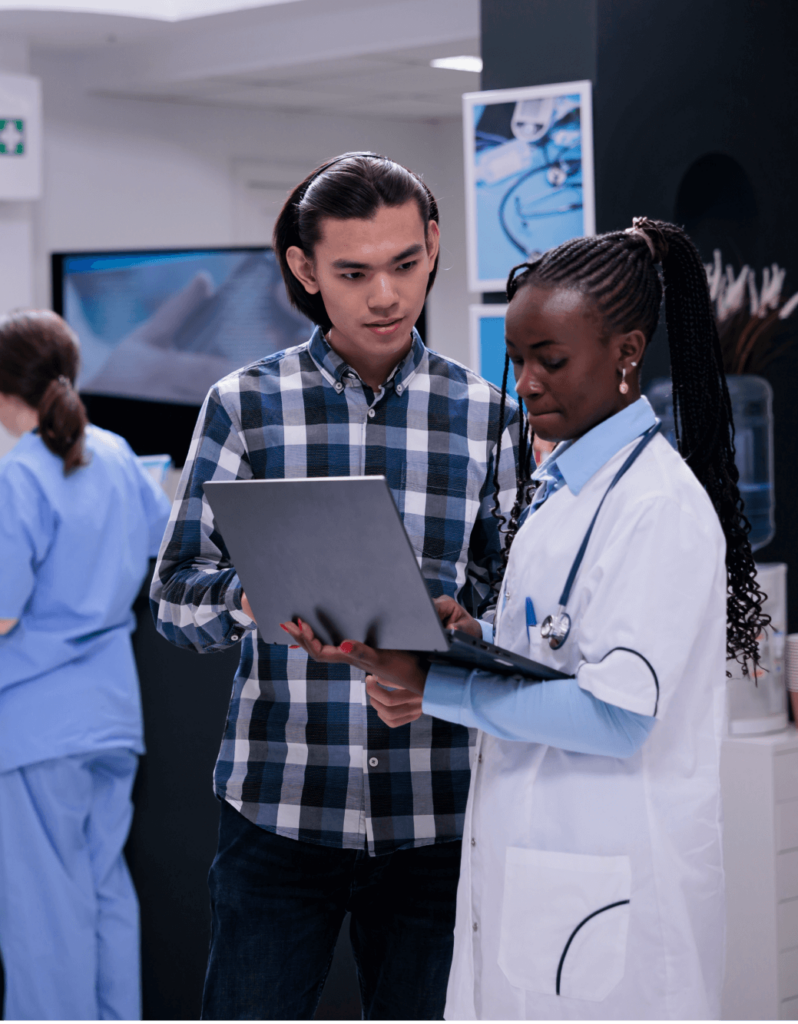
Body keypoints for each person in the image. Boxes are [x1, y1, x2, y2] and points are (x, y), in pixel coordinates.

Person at [283, 217, 769, 1022]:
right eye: (518, 361)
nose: (530, 384)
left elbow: (615, 717)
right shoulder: (564, 488)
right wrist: (474, 643)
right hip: (545, 874)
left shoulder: (658, 506)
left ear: (627, 353)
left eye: (552, 360)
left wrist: (434, 683)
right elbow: (559, 650)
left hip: (609, 889)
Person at [150, 152, 520, 1022]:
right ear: (306, 270)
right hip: (279, 808)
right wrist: (253, 598)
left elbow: (521, 613)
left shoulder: (489, 416)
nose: (385, 295)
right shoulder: (243, 405)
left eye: (403, 264)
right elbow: (172, 598)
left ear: (434, 247)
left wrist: (464, 636)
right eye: (353, 273)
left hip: (439, 812)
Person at [0, 310, 171, 1022]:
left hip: (36, 728)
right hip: (111, 718)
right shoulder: (120, 454)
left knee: (45, 915)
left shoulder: (18, 475)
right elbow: (167, 549)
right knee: (104, 895)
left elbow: (3, 613)